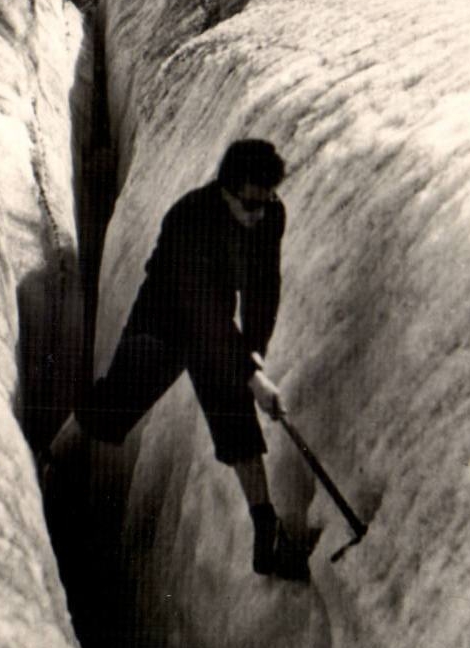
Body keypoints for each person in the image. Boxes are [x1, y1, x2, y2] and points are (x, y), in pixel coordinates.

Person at [71, 138, 309, 581]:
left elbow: (263, 287)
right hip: (164, 315)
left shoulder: (269, 215)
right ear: (226, 190)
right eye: (251, 205)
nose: (260, 214)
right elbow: (201, 314)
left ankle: (266, 530)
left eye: (267, 201)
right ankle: (49, 461)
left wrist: (254, 352)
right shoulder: (188, 219)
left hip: (212, 318)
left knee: (233, 407)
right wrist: (252, 375)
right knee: (113, 410)